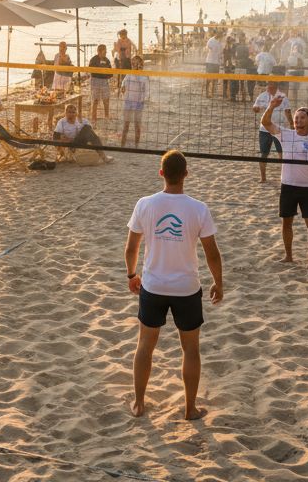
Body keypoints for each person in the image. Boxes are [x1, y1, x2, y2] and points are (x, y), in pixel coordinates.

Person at [124, 150, 224, 420]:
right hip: (186, 288)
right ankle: (190, 408)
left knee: (145, 346)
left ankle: (139, 403)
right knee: (191, 349)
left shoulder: (145, 204)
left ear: (161, 173)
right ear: (186, 175)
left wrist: (132, 275)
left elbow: (131, 247)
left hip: (153, 285)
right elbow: (212, 253)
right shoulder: (198, 208)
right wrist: (218, 282)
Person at [260, 96, 308, 271]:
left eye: (302, 117)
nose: (298, 119)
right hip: (288, 185)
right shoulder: (286, 134)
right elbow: (265, 122)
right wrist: (271, 106)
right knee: (286, 223)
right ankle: (288, 256)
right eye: (296, 117)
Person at [252, 80, 289, 183]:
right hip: (264, 128)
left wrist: (291, 124)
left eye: (271, 84)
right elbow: (256, 107)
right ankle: (263, 178)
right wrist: (255, 108)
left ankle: (284, 177)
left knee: (281, 153)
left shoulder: (282, 96)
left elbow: (287, 110)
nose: (269, 86)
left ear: (276, 85)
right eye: (268, 84)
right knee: (264, 153)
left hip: (278, 128)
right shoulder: (262, 96)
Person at [121, 56, 148, 148]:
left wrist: (142, 100)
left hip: (138, 103)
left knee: (137, 125)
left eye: (135, 63)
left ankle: (136, 146)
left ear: (140, 64)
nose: (133, 65)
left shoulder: (143, 76)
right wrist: (122, 88)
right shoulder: (129, 74)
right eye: (132, 63)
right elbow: (123, 84)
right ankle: (122, 145)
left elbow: (146, 91)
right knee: (126, 125)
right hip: (128, 102)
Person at [88, 44, 113, 121]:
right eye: (104, 51)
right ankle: (93, 118)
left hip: (104, 81)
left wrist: (105, 73)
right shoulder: (93, 59)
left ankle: (106, 116)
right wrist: (102, 71)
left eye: (105, 51)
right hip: (95, 81)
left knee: (106, 100)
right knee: (95, 100)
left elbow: (110, 73)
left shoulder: (107, 60)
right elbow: (91, 71)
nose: (106, 52)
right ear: (99, 51)